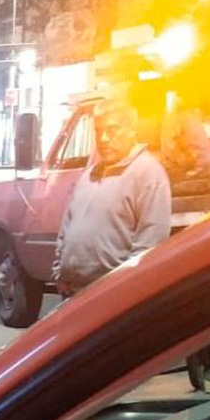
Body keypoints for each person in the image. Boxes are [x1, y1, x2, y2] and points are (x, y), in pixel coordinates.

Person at [52, 99, 172, 297]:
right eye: (99, 131)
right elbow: (66, 229)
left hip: (112, 297)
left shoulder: (147, 174)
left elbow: (150, 243)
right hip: (73, 293)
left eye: (112, 130)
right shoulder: (89, 175)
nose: (104, 139)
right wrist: (59, 272)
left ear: (132, 130)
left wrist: (123, 291)